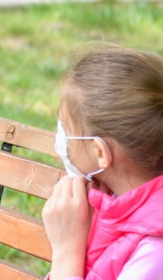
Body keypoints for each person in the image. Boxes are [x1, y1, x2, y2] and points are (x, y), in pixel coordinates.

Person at [42, 44, 163, 279]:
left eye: (66, 127)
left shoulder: (154, 251)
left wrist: (66, 254)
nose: (62, 137)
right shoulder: (112, 203)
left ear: (100, 152)